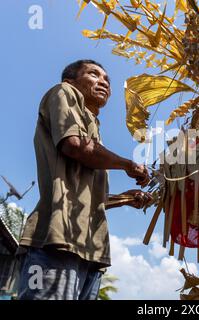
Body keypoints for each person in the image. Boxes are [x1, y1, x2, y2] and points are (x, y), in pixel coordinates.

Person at [17, 60, 152, 300]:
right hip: (57, 242)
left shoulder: (93, 126)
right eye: (94, 74)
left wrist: (125, 199)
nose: (104, 83)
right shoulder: (63, 92)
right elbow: (75, 146)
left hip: (91, 253)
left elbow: (86, 197)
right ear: (70, 81)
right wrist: (127, 164)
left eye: (107, 80)